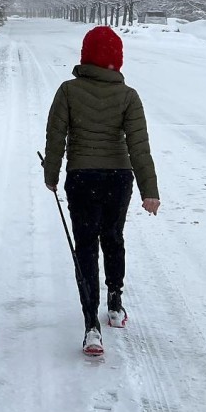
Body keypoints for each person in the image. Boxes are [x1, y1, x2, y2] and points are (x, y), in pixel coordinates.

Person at [43, 25, 160, 357]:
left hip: (82, 176)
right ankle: (115, 303)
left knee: (85, 248)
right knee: (112, 237)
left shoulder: (68, 91)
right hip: (118, 178)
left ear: (85, 55)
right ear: (117, 59)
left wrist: (51, 174)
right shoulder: (128, 96)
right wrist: (149, 190)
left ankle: (90, 326)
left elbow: (56, 138)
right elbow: (139, 148)